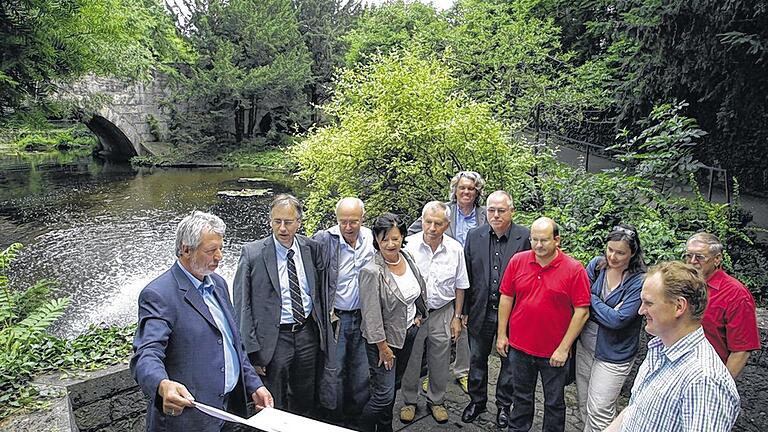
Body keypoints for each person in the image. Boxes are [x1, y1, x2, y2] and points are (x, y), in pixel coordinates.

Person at [131, 211, 273, 432]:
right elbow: (147, 353)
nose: (219, 256)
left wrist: (254, 385)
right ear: (186, 250)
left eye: (221, 248)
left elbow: (233, 345)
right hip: (188, 420)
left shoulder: (218, 284)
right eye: (211, 251)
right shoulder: (159, 294)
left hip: (229, 413)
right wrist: (162, 384)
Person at [605, 261, 741, 432]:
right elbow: (636, 409)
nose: (640, 311)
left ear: (679, 306)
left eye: (649, 303)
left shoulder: (705, 381)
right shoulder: (660, 348)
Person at [232, 194, 328, 416]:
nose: (282, 228)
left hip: (306, 333)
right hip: (274, 340)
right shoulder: (253, 253)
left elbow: (319, 295)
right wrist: (252, 351)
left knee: (306, 396)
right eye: (277, 221)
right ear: (270, 221)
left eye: (288, 222)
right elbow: (242, 306)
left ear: (299, 222)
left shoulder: (310, 248)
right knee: (273, 400)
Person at [497, 217, 590, 432]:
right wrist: (502, 334)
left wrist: (564, 348)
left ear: (557, 240)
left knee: (554, 402)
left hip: (554, 352)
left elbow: (582, 312)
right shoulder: (518, 261)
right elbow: (506, 297)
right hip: (519, 347)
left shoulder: (574, 269)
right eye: (534, 240)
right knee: (520, 397)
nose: (538, 245)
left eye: (544, 240)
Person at [408, 171, 487, 393]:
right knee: (435, 334)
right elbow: (417, 230)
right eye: (462, 187)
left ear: (477, 191)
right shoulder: (441, 211)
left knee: (462, 322)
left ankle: (463, 371)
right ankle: (431, 376)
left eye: (471, 188)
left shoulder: (483, 215)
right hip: (442, 271)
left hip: (471, 275)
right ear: (455, 189)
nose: (466, 192)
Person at [461, 190, 530, 428]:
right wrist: (465, 311)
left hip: (513, 314)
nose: (496, 215)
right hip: (481, 310)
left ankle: (504, 406)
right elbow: (468, 276)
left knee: (509, 364)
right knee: (477, 360)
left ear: (512, 211)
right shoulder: (474, 236)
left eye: (501, 210)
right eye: (491, 210)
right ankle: (477, 401)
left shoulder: (526, 237)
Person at [399, 201, 470, 424]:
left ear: (447, 225)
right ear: (421, 221)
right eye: (428, 222)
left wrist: (457, 318)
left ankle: (436, 401)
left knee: (440, 359)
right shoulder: (408, 245)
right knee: (411, 357)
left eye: (438, 223)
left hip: (443, 311)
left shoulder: (455, 249)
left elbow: (461, 286)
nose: (431, 228)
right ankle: (409, 400)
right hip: (415, 312)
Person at [359, 213, 428, 432]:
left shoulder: (406, 257)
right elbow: (371, 316)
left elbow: (416, 289)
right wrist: (383, 347)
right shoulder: (372, 271)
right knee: (383, 395)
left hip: (407, 333)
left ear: (403, 237)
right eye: (384, 238)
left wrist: (419, 315)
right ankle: (358, 427)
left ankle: (386, 427)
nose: (390, 244)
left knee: (393, 387)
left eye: (395, 238)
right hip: (383, 343)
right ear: (377, 240)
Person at [575, 224, 646, 432]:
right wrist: (607, 309)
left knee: (600, 410)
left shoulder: (638, 281)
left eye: (621, 253)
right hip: (586, 347)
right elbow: (579, 298)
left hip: (614, 354)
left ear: (633, 253)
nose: (613, 256)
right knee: (583, 402)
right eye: (610, 250)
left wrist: (592, 300)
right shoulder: (597, 266)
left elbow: (618, 321)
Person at [313, 197, 376, 428]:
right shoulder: (323, 239)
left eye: (353, 222)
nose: (348, 227)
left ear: (363, 218)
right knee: (334, 368)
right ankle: (333, 416)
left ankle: (358, 415)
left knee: (361, 369)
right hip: (336, 317)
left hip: (363, 316)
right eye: (343, 222)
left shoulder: (371, 238)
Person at [684, 232, 760, 378]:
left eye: (699, 257)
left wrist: (721, 386)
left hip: (708, 376)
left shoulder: (736, 295)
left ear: (717, 259)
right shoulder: (683, 283)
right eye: (688, 255)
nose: (692, 261)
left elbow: (741, 350)